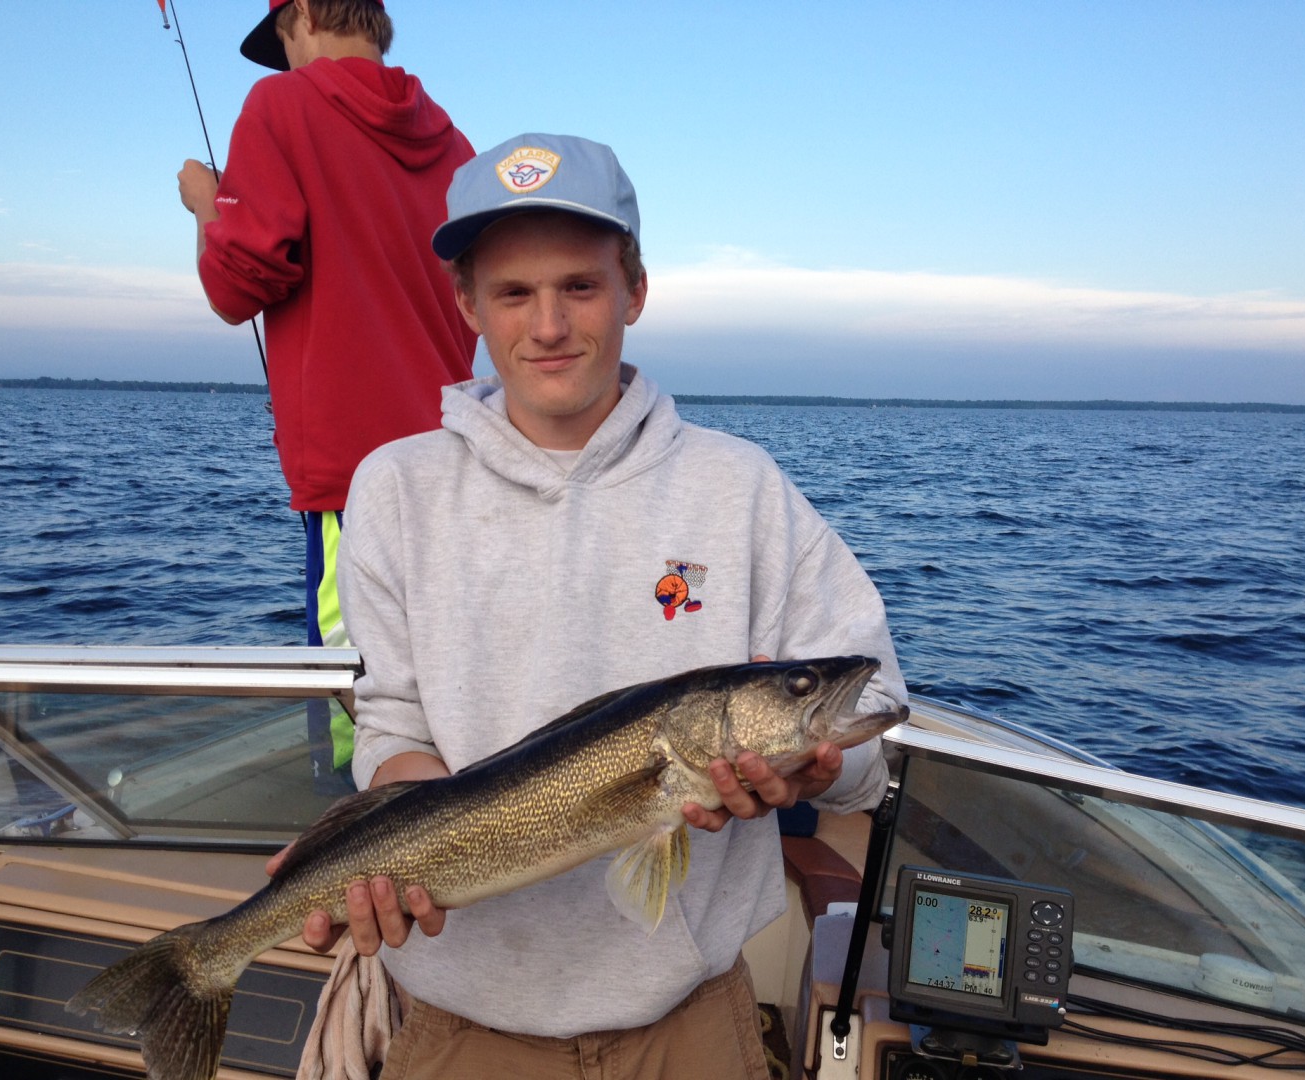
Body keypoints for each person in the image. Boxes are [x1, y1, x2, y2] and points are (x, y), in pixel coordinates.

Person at [292, 133, 908, 1078]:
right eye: (513, 293)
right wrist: (384, 854)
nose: (548, 325)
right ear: (467, 305)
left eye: (580, 286)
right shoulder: (395, 487)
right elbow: (390, 725)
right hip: (459, 1024)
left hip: (690, 1021)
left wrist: (813, 772)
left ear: (635, 289)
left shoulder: (740, 486)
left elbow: (874, 724)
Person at [176, 0, 476, 785]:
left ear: (303, 12)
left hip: (355, 482)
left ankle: (348, 839)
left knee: (358, 713)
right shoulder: (453, 144)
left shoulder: (280, 105)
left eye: (282, 41)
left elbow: (235, 288)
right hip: (461, 466)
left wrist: (208, 205)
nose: (285, 62)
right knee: (445, 680)